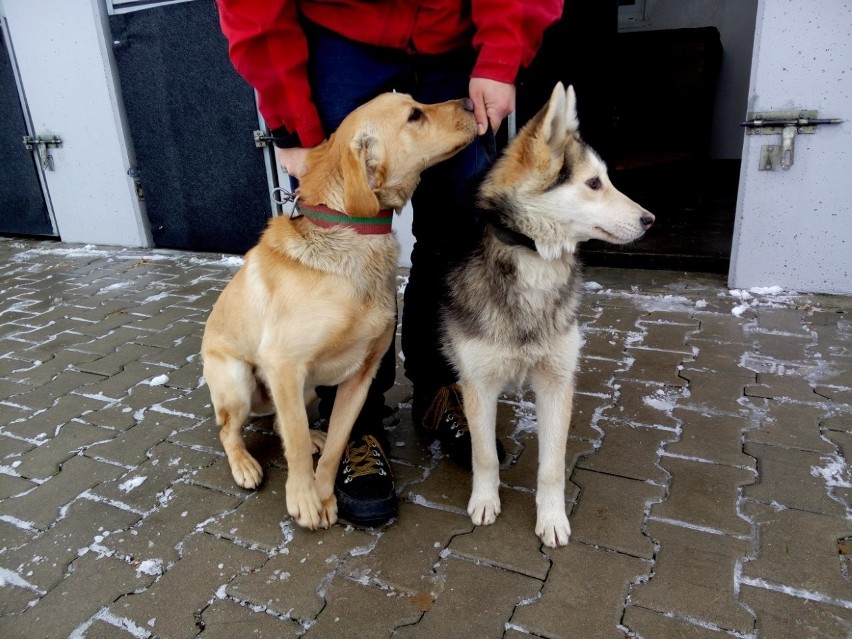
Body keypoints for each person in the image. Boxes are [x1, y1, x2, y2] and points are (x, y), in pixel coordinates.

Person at [214, 0, 563, 527]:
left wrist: (501, 53)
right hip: (339, 42)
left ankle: (441, 387)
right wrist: (290, 118)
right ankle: (353, 425)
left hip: (456, 36)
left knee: (457, 236)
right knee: (339, 239)